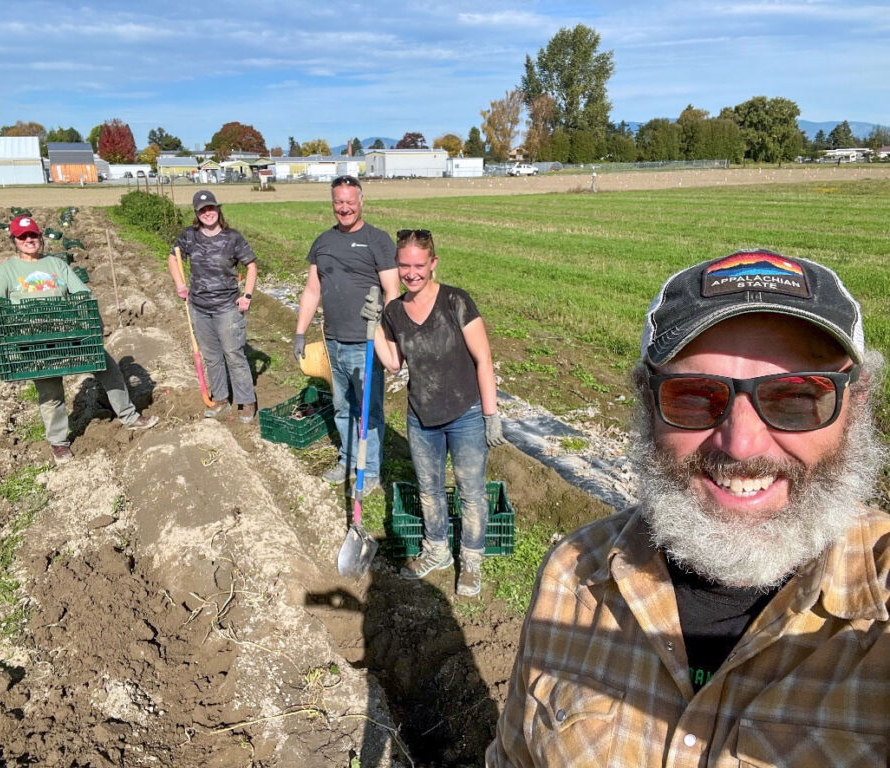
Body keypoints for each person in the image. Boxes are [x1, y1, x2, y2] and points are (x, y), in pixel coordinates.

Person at [487, 250, 889, 766]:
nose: (741, 445)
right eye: (695, 397)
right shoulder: (572, 579)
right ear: (647, 407)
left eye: (794, 398)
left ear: (855, 409)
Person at [367, 229, 506, 597]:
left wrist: (490, 413)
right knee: (429, 491)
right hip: (421, 417)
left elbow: (483, 358)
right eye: (404, 266)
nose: (411, 273)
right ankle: (438, 550)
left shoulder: (456, 301)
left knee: (471, 491)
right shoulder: (394, 311)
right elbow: (394, 364)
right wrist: (374, 330)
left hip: (465, 413)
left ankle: (472, 558)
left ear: (433, 263)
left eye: (418, 265)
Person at [0, 215, 158, 465]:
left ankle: (129, 417)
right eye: (23, 237)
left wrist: (94, 318)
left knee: (108, 369)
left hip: (66, 332)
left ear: (40, 237)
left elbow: (82, 293)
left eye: (32, 235)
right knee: (50, 391)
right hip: (35, 340)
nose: (29, 240)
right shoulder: (7, 269)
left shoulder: (56, 264)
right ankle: (59, 443)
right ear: (15, 241)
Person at [294, 175, 399, 495]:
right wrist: (300, 332)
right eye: (339, 202)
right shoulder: (322, 243)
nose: (344, 208)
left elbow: (392, 292)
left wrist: (390, 336)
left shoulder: (378, 240)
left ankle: (369, 472)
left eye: (350, 202)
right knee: (341, 406)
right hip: (333, 341)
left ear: (361, 201)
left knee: (368, 411)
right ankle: (347, 459)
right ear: (332, 203)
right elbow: (313, 291)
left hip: (366, 342)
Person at [168, 190, 258, 422]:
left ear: (218, 210)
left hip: (227, 307)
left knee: (233, 353)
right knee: (211, 356)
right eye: (203, 210)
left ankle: (246, 401)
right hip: (199, 307)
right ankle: (220, 399)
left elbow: (251, 266)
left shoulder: (233, 238)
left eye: (211, 208)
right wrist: (180, 285)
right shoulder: (189, 235)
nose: (208, 213)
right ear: (197, 214)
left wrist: (246, 295)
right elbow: (172, 257)